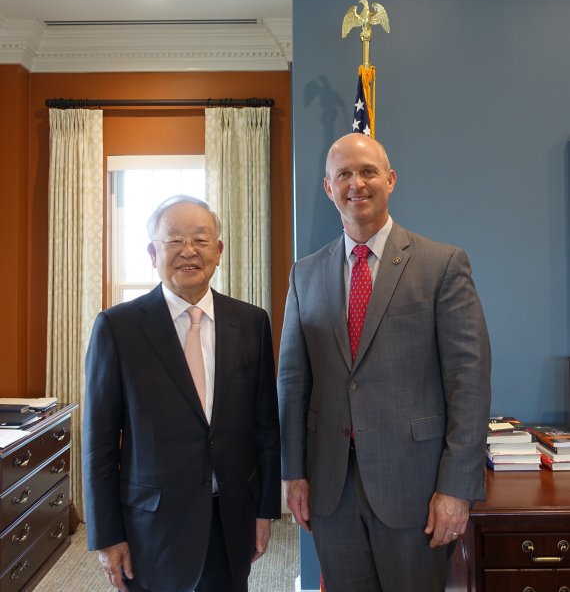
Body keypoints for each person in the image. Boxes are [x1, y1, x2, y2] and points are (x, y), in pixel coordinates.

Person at [277, 133, 491, 592]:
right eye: (344, 174)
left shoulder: (443, 265)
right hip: (330, 490)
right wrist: (292, 472)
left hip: (415, 488)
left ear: (390, 180)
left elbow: (468, 383)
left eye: (368, 171)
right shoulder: (305, 274)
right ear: (328, 188)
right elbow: (293, 383)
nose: (357, 183)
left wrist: (457, 488)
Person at [83, 195, 281, 592]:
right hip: (152, 528)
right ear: (152, 252)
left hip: (231, 519)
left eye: (201, 240)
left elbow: (266, 429)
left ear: (219, 251)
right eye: (174, 240)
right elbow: (99, 444)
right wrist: (106, 536)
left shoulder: (251, 322)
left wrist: (265, 511)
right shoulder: (117, 328)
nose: (188, 251)